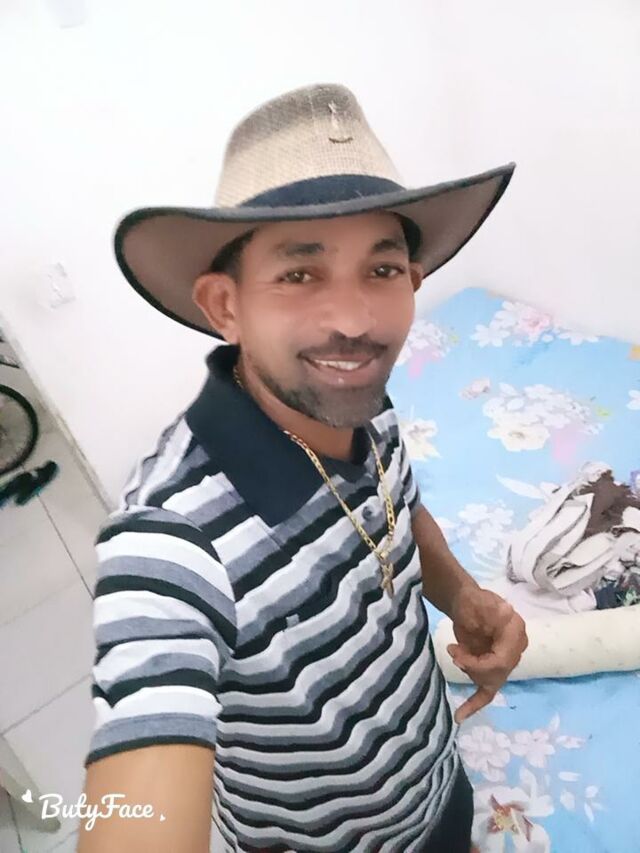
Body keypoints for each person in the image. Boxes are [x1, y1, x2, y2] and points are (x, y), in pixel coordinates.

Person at [78, 83, 527, 853]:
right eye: (299, 274)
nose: (355, 322)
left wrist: (461, 594)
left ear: (414, 282)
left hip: (436, 789)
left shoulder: (365, 406)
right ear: (225, 306)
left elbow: (399, 511)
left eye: (381, 269)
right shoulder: (170, 540)